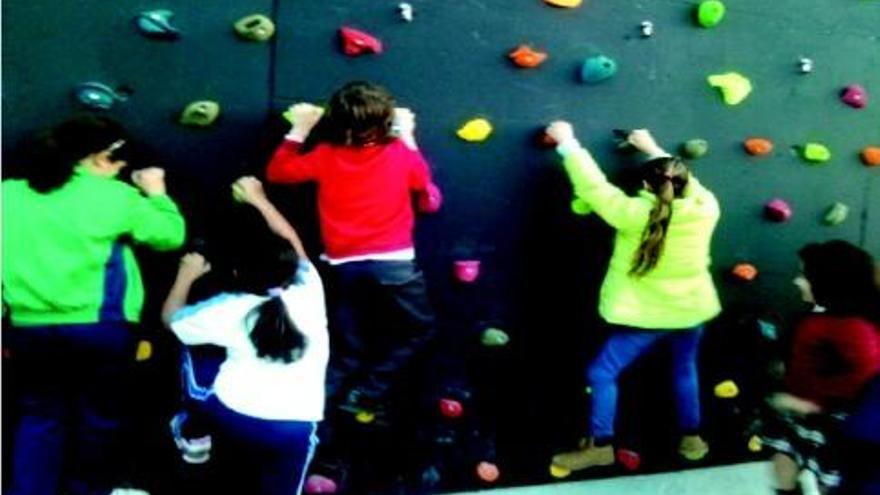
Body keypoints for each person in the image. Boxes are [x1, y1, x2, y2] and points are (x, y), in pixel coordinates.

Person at [2, 114, 186, 495]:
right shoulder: (115, 196)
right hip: (100, 330)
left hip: (28, 330)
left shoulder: (8, 195)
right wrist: (157, 192)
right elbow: (171, 237)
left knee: (38, 419)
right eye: (120, 163)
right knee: (98, 422)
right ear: (102, 157)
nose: (122, 171)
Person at [545, 123, 721, 471]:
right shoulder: (707, 206)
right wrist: (653, 148)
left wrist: (567, 142)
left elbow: (593, 187)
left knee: (602, 372)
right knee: (685, 369)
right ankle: (692, 439)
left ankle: (601, 445)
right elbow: (686, 183)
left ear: (644, 186)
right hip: (692, 311)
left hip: (649, 318)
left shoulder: (632, 214)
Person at [265, 81, 440, 418]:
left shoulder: (327, 156)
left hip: (344, 267)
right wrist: (408, 133)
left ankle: (311, 413)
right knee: (420, 329)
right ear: (386, 123)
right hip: (394, 266)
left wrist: (299, 129)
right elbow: (422, 180)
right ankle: (369, 389)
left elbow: (278, 172)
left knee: (347, 348)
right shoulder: (398, 152)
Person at [161, 176, 329, 495]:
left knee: (190, 350)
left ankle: (194, 432)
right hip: (293, 428)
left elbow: (170, 320)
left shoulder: (227, 308)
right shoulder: (309, 287)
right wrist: (259, 198)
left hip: (232, 415)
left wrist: (186, 274)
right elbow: (292, 241)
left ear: (238, 275)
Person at [763, 240, 880, 495]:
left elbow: (865, 387)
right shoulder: (823, 315)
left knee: (831, 476)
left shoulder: (856, 330)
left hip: (835, 422)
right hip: (803, 409)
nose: (797, 281)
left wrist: (808, 406)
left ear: (829, 281)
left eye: (804, 275)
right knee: (784, 458)